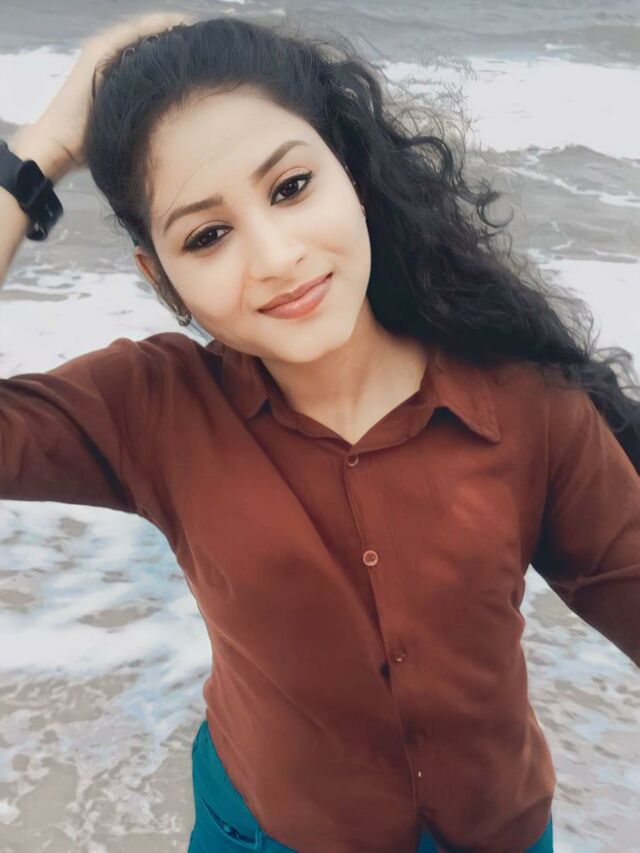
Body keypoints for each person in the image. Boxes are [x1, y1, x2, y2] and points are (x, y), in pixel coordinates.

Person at [1, 12, 639, 853]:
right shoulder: (153, 410)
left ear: (351, 173)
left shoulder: (528, 403)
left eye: (292, 187)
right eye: (208, 235)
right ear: (162, 281)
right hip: (259, 831)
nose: (276, 256)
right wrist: (41, 151)